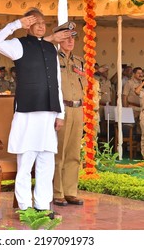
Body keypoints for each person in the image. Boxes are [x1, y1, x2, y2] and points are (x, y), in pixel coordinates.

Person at [0, 8, 69, 213]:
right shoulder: (18, 45)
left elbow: (57, 83)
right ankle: (24, 207)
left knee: (46, 161)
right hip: (27, 113)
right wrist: (16, 24)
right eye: (36, 22)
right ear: (28, 24)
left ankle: (42, 206)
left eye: (43, 22)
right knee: (26, 162)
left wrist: (60, 114)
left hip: (49, 112)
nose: (41, 25)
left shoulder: (51, 48)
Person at [52, 21, 84, 207]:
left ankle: (71, 191)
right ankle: (58, 192)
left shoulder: (79, 61)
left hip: (77, 109)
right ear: (59, 38)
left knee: (73, 152)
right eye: (66, 36)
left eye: (73, 37)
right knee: (59, 152)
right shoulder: (53, 59)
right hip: (61, 109)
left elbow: (84, 85)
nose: (70, 40)